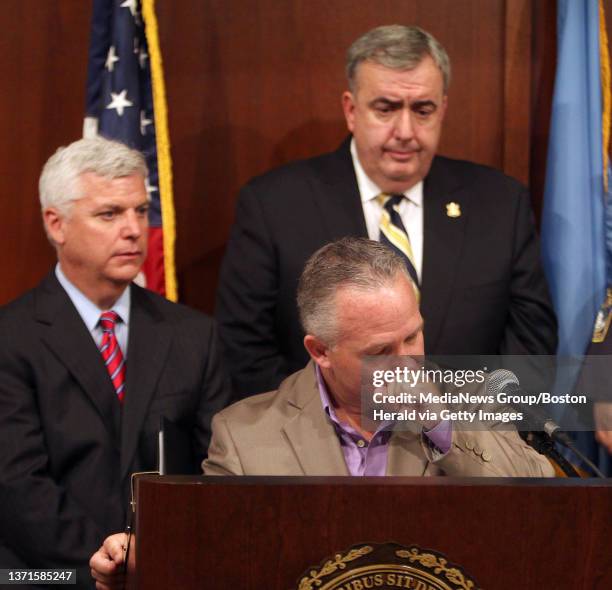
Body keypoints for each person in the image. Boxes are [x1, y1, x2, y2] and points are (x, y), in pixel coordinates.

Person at [89, 238, 554, 589]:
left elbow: (545, 510)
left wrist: (440, 422)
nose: (407, 360)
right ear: (320, 350)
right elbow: (218, 564)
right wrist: (139, 566)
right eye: (380, 350)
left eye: (412, 337)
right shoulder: (245, 436)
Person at [216, 24, 557, 398]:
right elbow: (245, 350)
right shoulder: (274, 206)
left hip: (468, 444)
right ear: (351, 109)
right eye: (386, 108)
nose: (405, 130)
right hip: (316, 448)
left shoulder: (499, 203)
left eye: (422, 110)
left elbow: (531, 348)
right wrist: (334, 436)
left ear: (442, 110)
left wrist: (464, 437)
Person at [0, 137, 230, 588]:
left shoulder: (192, 334)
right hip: (48, 575)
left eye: (140, 211)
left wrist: (156, 556)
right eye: (110, 214)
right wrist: (110, 562)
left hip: (171, 570)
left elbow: (216, 468)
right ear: (56, 224)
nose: (134, 229)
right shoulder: (12, 337)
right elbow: (17, 485)